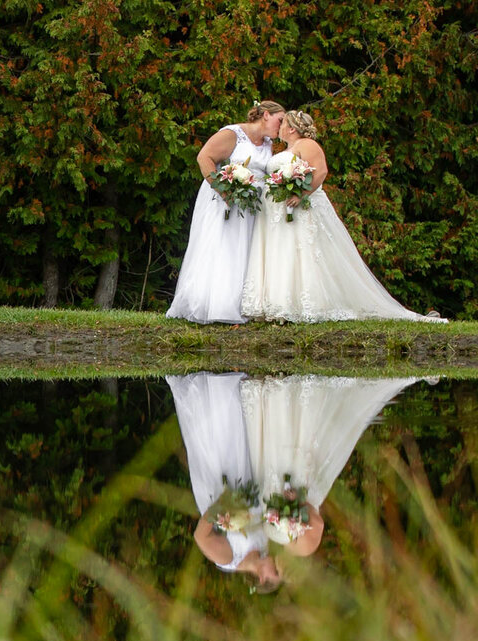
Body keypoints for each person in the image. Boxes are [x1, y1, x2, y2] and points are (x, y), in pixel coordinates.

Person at [241, 110, 447, 323]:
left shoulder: (307, 144)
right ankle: (280, 306)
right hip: (278, 212)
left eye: (283, 123)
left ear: (292, 128)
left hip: (302, 208)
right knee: (285, 252)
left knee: (305, 253)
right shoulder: (287, 149)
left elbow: (320, 172)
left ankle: (307, 305)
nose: (280, 126)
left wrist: (301, 194)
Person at [241, 374, 422, 556]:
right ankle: (302, 392)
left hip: (277, 476)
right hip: (303, 486)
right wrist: (297, 503)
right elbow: (317, 524)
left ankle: (280, 394)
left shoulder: (276, 538)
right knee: (310, 438)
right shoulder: (301, 550)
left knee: (282, 446)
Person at [166, 101, 286, 324]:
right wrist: (223, 190)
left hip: (252, 205)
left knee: (246, 250)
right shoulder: (233, 134)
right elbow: (204, 158)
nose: (282, 126)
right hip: (226, 201)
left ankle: (242, 304)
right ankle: (212, 305)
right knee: (224, 248)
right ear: (266, 115)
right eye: (280, 120)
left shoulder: (269, 143)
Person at [166, 372, 281, 592]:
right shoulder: (264, 546)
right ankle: (228, 386)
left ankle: (207, 387)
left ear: (261, 579)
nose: (275, 567)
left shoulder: (229, 559)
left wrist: (221, 506)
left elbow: (201, 536)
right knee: (235, 439)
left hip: (220, 488)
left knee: (215, 446)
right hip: (245, 481)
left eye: (273, 573)